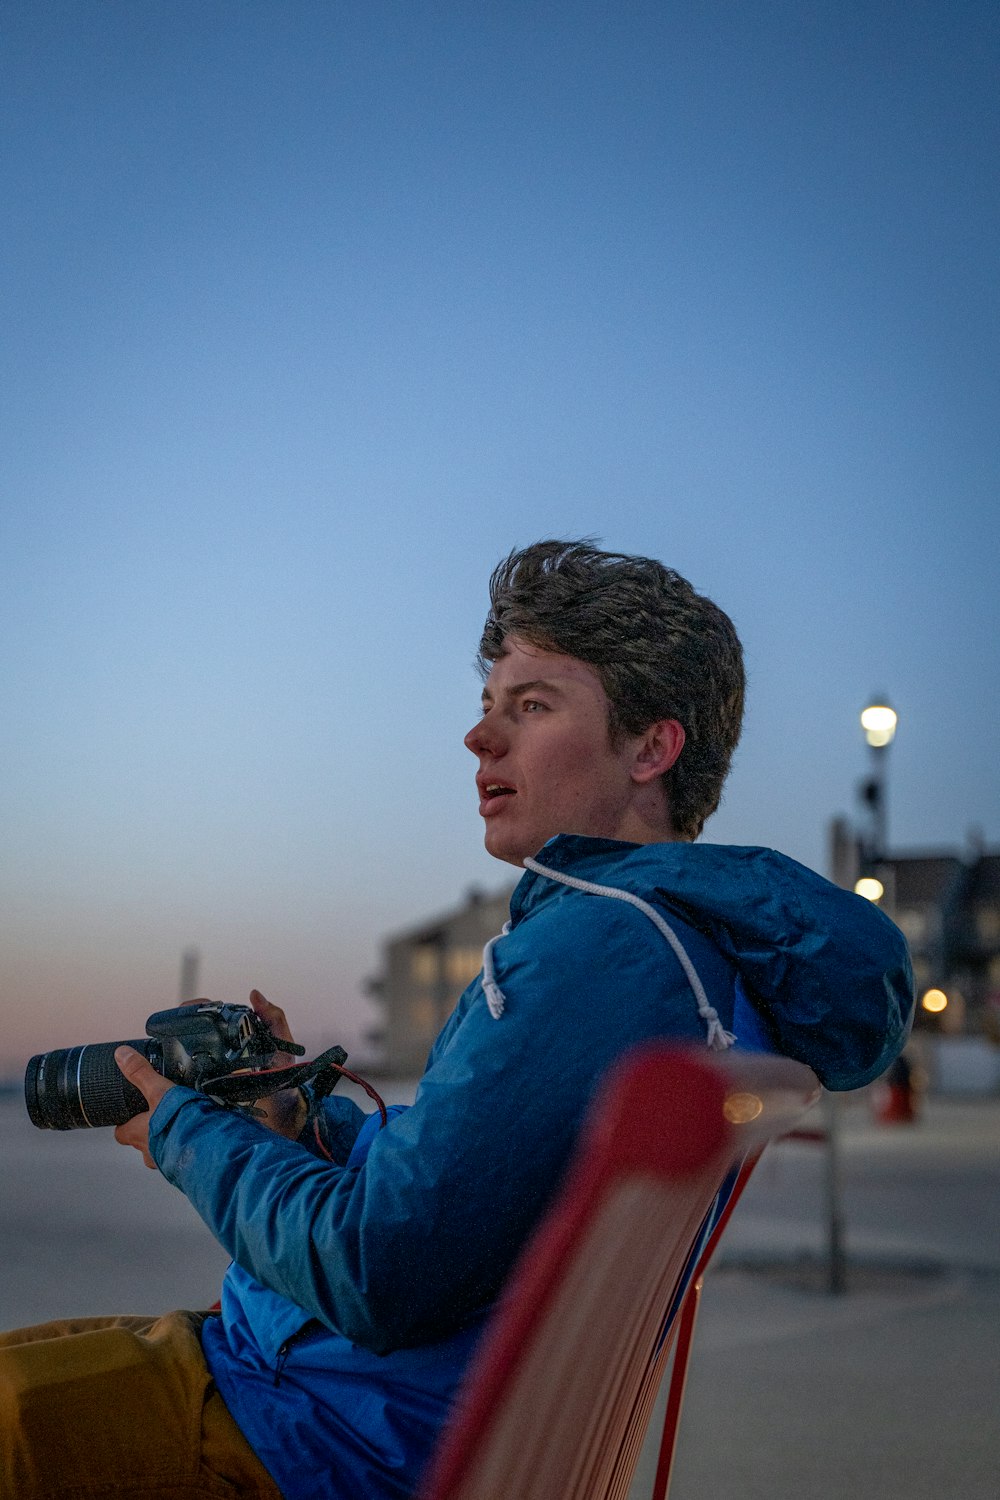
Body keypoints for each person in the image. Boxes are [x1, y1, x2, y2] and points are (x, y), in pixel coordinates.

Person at [1, 540, 914, 1499]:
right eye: (488, 707)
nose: (481, 740)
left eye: (533, 706)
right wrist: (302, 1120)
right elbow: (466, 1186)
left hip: (316, 1435)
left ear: (653, 746)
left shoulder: (598, 953)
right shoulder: (681, 954)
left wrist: (190, 1131)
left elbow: (376, 1271)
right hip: (352, 1400)